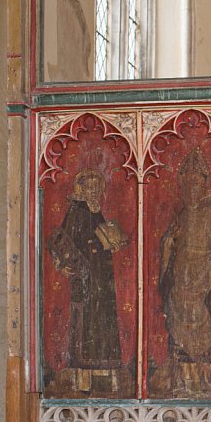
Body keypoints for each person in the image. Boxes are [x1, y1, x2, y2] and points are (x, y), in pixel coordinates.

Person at [150, 148, 211, 398]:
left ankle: (206, 378)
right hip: (181, 275)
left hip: (201, 277)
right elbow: (170, 243)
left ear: (203, 186)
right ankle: (181, 379)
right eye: (188, 185)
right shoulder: (182, 213)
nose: (192, 190)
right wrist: (169, 241)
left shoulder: (210, 213)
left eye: (196, 185)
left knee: (203, 318)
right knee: (178, 317)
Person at [47, 168, 129, 397]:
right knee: (86, 325)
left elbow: (100, 238)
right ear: (81, 188)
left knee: (104, 323)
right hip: (85, 277)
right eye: (89, 186)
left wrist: (112, 240)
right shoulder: (76, 211)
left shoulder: (96, 211)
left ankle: (107, 376)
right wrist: (66, 264)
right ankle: (84, 379)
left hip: (102, 277)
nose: (93, 191)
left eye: (97, 187)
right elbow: (61, 239)